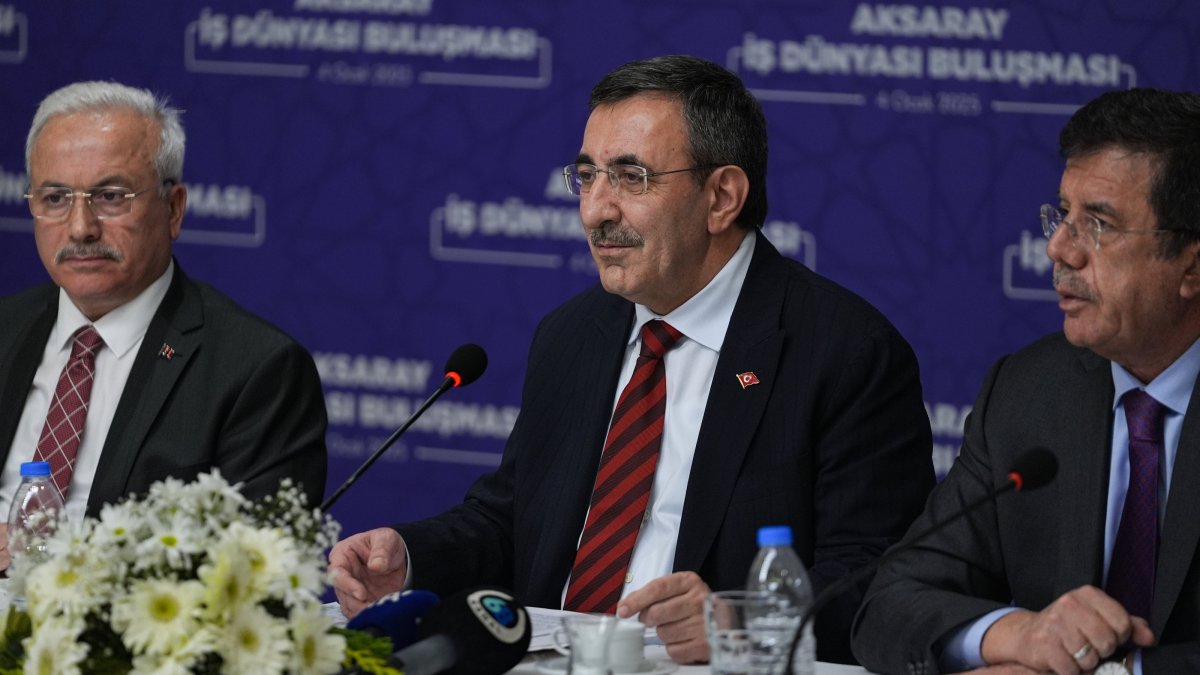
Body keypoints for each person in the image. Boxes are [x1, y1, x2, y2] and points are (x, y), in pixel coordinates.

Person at [329, 54, 933, 665]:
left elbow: (878, 579)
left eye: (631, 177)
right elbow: (514, 520)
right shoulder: (573, 334)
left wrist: (739, 620)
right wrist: (411, 556)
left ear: (722, 196)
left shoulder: (843, 351)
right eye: (587, 175)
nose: (595, 210)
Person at [852, 88, 1200, 674]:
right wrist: (1018, 635)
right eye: (1063, 215)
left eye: (1099, 225)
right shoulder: (1028, 392)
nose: (1058, 248)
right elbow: (889, 604)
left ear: (1191, 266)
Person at [0, 81, 328, 569]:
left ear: (173, 210)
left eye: (110, 196)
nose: (80, 227)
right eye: (55, 198)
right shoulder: (7, 328)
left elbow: (256, 575)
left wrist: (56, 559)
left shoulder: (257, 371)